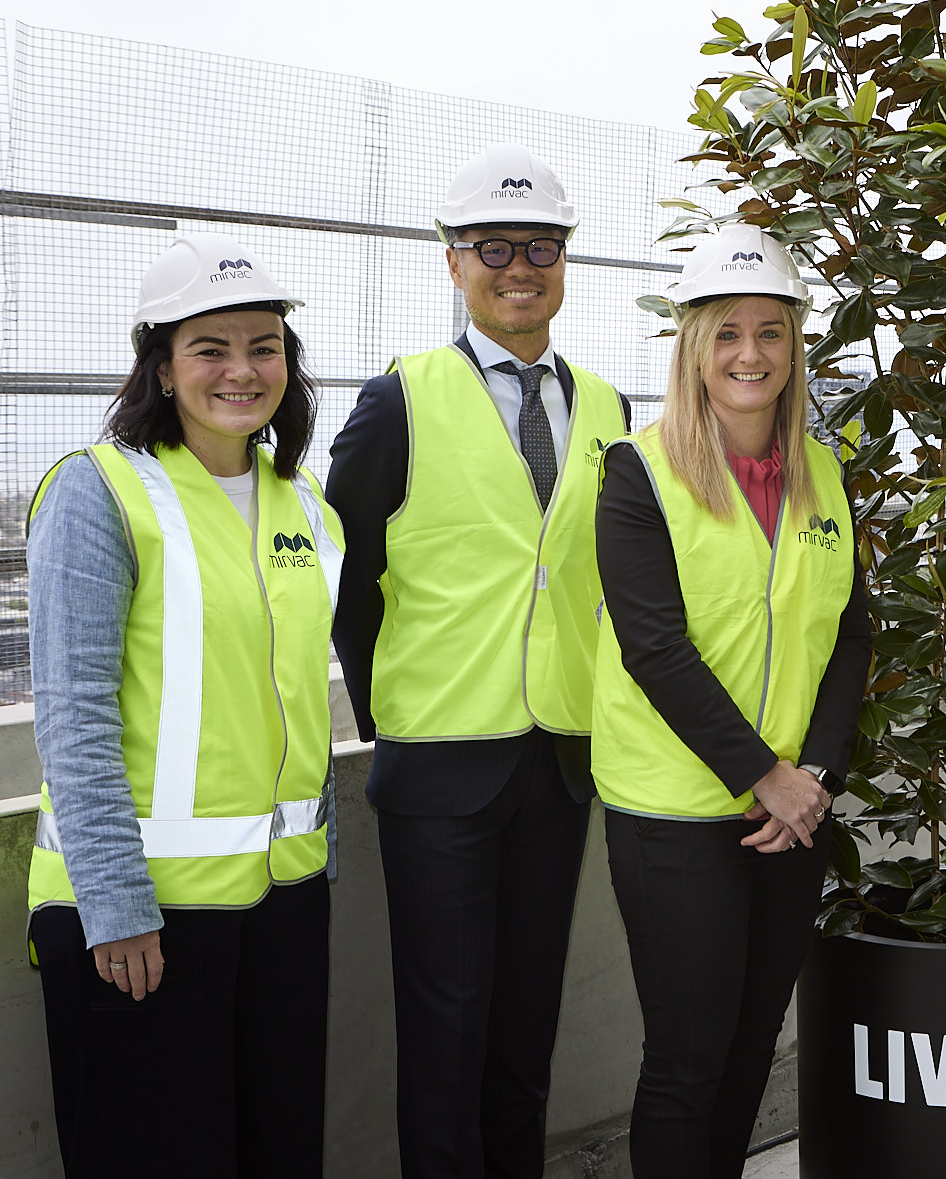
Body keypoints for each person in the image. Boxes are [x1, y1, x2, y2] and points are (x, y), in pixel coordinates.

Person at [325, 144, 631, 1178]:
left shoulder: (604, 404)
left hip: (559, 756)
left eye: (539, 245)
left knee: (524, 1023)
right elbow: (345, 576)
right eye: (491, 246)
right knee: (446, 1030)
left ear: (564, 261)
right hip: (441, 763)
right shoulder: (399, 399)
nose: (518, 265)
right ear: (451, 263)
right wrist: (391, 714)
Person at [26, 234, 342, 1178]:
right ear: (161, 365)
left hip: (283, 902)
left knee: (276, 1152)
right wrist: (117, 907)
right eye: (211, 348)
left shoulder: (304, 504)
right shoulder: (100, 489)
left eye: (265, 346)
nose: (243, 371)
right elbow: (72, 712)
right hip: (143, 916)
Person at [593, 225, 868, 1177]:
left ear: (795, 347)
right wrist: (762, 774)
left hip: (793, 810)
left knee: (754, 1048)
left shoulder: (822, 475)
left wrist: (812, 776)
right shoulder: (637, 471)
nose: (749, 354)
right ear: (692, 348)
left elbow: (848, 636)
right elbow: (654, 648)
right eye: (726, 333)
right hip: (676, 814)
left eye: (771, 331)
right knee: (687, 1059)